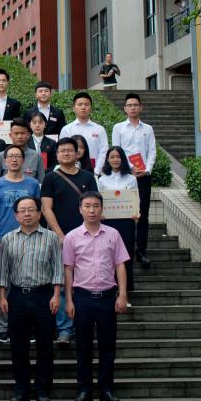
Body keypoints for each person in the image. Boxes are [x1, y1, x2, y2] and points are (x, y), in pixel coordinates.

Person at [0, 195, 62, 401]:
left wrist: (56, 295)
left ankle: (42, 390)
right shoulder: (7, 239)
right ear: (16, 216)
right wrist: (2, 296)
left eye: (31, 209)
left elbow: (58, 269)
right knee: (18, 347)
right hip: (17, 297)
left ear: (39, 213)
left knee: (45, 346)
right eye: (22, 210)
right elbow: (3, 271)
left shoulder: (51, 238)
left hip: (44, 296)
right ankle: (21, 390)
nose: (27, 214)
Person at [64, 192, 129, 401]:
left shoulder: (113, 234)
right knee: (83, 346)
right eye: (87, 206)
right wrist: (69, 300)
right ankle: (84, 389)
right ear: (80, 209)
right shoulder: (72, 237)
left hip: (107, 297)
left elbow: (120, 264)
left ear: (102, 209)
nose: (92, 210)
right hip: (82, 297)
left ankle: (106, 389)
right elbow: (68, 269)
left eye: (96, 206)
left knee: (107, 346)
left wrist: (122, 294)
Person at [40, 137, 98, 344]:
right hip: (61, 238)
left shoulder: (88, 177)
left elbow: (94, 205)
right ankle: (65, 328)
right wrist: (59, 234)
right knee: (63, 282)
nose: (66, 153)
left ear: (77, 153)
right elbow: (46, 209)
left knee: (86, 281)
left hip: (87, 238)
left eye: (69, 150)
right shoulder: (50, 178)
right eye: (61, 150)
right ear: (56, 155)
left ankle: (83, 326)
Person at [0, 145, 42, 344]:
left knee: (27, 282)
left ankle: (28, 327)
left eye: (18, 156)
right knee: (2, 282)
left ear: (24, 160)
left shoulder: (33, 183)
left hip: (29, 237)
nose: (14, 160)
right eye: (10, 156)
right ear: (4, 161)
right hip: (3, 238)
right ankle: (2, 328)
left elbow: (38, 210)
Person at [111, 92, 156, 268]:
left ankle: (141, 251)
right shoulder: (118, 128)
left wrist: (147, 170)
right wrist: (130, 168)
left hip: (143, 177)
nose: (132, 108)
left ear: (141, 107)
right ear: (125, 108)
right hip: (124, 176)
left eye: (135, 105)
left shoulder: (148, 129)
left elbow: (152, 151)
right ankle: (122, 250)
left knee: (143, 214)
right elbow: (116, 151)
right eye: (129, 105)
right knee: (123, 213)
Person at [98, 146, 138, 294]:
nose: (115, 160)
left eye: (118, 157)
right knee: (108, 255)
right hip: (108, 222)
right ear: (107, 160)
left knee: (126, 255)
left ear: (123, 159)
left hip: (126, 222)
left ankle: (125, 292)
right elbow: (99, 201)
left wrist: (136, 212)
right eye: (112, 157)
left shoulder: (131, 179)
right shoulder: (102, 179)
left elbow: (136, 199)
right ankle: (110, 290)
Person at [59, 92, 108, 175]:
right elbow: (62, 151)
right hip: (71, 173)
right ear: (74, 108)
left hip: (95, 172)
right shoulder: (67, 129)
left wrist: (96, 172)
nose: (83, 107)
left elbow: (103, 152)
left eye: (86, 104)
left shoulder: (99, 129)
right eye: (80, 104)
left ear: (91, 108)